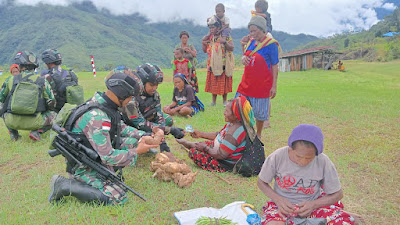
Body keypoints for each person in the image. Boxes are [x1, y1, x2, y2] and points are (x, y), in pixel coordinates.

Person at [48, 72, 162, 205]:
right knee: (117, 198)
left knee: (134, 142)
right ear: (121, 95)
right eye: (129, 97)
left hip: (94, 155)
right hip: (84, 166)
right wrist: (136, 151)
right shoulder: (97, 117)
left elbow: (121, 128)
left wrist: (144, 136)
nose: (130, 101)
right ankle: (65, 185)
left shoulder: (104, 104)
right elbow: (107, 156)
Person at [258, 124, 363, 225]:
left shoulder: (323, 161)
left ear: (317, 154)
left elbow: (338, 194)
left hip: (313, 205)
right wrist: (278, 200)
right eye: (298, 156)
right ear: (290, 148)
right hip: (282, 206)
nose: (303, 162)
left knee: (341, 221)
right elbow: (261, 182)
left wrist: (313, 205)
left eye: (309, 158)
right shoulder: (278, 156)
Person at [176, 95, 256, 172]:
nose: (224, 113)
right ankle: (189, 144)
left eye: (226, 111)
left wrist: (205, 148)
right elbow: (220, 135)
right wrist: (201, 134)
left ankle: (189, 144)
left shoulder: (233, 132)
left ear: (235, 115)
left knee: (194, 153)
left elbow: (221, 155)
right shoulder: (234, 123)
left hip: (226, 162)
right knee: (203, 144)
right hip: (220, 150)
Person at [119, 64, 185, 153]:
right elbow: (139, 123)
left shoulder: (155, 95)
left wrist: (162, 140)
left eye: (156, 84)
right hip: (131, 126)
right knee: (136, 139)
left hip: (146, 119)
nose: (155, 88)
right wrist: (169, 130)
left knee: (167, 120)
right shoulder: (131, 98)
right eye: (151, 84)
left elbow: (159, 115)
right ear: (142, 82)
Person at [236, 16, 279, 138]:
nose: (252, 34)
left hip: (262, 85)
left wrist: (274, 86)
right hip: (246, 83)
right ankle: (243, 132)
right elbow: (246, 55)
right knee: (238, 107)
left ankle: (258, 134)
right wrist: (243, 58)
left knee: (260, 114)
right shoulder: (251, 42)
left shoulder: (271, 45)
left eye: (254, 31)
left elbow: (275, 65)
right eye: (250, 31)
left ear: (262, 29)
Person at [0, 51, 56, 141]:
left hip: (11, 121)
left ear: (19, 66)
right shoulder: (42, 81)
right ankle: (36, 132)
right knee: (55, 114)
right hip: (36, 122)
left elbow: (1, 98)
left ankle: (14, 134)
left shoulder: (10, 79)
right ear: (35, 66)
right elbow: (52, 101)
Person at [202, 16, 235, 107]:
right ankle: (213, 101)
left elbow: (231, 48)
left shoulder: (226, 36)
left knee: (224, 82)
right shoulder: (210, 38)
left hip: (223, 63)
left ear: (218, 27)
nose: (212, 29)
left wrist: (224, 42)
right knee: (214, 82)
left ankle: (224, 101)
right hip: (212, 64)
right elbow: (205, 50)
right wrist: (204, 43)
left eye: (213, 27)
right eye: (210, 28)